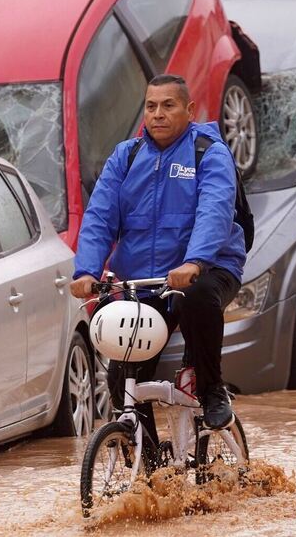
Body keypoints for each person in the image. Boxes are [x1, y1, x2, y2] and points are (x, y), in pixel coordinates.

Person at [70, 73, 246, 436]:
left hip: (208, 268)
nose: (158, 114)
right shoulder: (126, 156)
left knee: (195, 296)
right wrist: (86, 271)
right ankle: (147, 460)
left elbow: (214, 211)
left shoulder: (208, 152)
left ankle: (212, 391)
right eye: (151, 106)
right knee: (123, 382)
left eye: (168, 105)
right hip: (145, 282)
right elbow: (100, 216)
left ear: (189, 110)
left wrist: (194, 262)